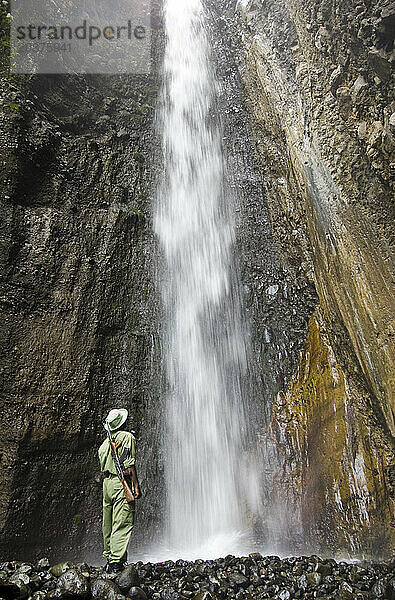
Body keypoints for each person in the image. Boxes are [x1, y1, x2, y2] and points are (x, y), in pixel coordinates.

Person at [98, 408, 141, 574]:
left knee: (107, 522)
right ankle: (116, 562)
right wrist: (135, 485)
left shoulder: (103, 445)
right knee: (122, 520)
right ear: (122, 423)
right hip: (119, 482)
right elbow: (129, 466)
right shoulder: (127, 437)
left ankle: (110, 558)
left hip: (107, 484)